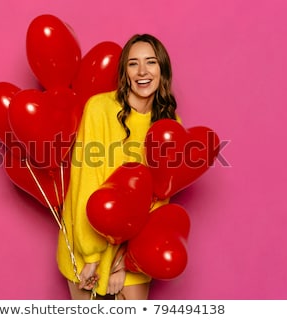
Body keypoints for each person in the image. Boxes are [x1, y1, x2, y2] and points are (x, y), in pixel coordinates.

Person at [56, 34, 179, 300]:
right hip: (85, 245)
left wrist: (125, 262)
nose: (142, 72)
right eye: (133, 64)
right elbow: (85, 182)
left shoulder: (171, 125)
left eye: (151, 62)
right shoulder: (99, 108)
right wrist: (93, 257)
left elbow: (159, 202)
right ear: (124, 71)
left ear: (163, 70)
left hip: (135, 251)